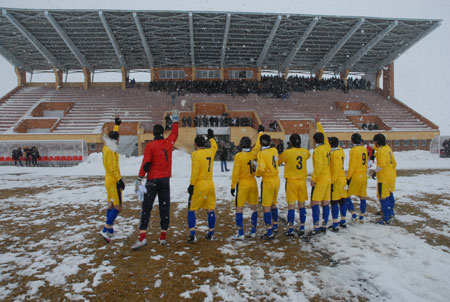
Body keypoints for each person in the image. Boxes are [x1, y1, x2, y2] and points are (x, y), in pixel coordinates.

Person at [131, 111, 179, 249]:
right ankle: (163, 237)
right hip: (165, 180)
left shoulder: (150, 146)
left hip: (152, 180)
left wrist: (139, 178)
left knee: (147, 208)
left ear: (153, 133)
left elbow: (146, 164)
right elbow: (175, 135)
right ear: (163, 133)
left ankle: (142, 237)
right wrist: (175, 122)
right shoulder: (168, 142)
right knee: (165, 207)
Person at [187, 129, 218, 243]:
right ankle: (211, 233)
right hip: (210, 183)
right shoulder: (210, 152)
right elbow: (215, 147)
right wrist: (212, 138)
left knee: (192, 209)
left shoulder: (196, 154)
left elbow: (195, 171)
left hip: (200, 183)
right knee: (210, 209)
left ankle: (192, 234)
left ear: (195, 144)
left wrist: (192, 184)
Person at [230, 132, 262, 239]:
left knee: (239, 208)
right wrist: (260, 133)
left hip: (243, 183)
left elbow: (235, 173)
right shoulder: (254, 153)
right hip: (253, 182)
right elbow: (258, 145)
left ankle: (240, 233)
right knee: (254, 207)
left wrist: (233, 186)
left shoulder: (239, 156)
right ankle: (253, 231)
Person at [278, 133, 310, 237]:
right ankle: (302, 227)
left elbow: (278, 161)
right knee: (301, 206)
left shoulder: (287, 152)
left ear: (290, 142)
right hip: (302, 182)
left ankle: (291, 228)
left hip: (291, 181)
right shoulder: (305, 152)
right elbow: (307, 155)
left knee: (291, 206)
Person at [99, 117, 125, 243]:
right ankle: (105, 229)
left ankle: (110, 230)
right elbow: (114, 167)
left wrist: (116, 126)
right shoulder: (113, 149)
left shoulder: (106, 147)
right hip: (113, 180)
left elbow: (112, 136)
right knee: (118, 207)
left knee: (110, 204)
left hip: (107, 179)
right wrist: (120, 180)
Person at [309, 115, 331, 236]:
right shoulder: (327, 147)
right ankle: (324, 225)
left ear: (315, 140)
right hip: (328, 178)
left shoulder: (318, 150)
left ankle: (316, 226)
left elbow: (319, 166)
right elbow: (325, 136)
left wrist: (313, 179)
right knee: (325, 203)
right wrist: (319, 124)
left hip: (321, 179)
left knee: (315, 202)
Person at [256, 133, 280, 240]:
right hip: (276, 179)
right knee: (273, 204)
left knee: (266, 206)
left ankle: (269, 232)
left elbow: (261, 169)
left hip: (268, 181)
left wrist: (257, 174)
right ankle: (275, 225)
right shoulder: (274, 150)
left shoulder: (262, 154)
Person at [372, 133, 397, 224]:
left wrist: (375, 171)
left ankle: (385, 218)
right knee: (390, 194)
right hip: (391, 175)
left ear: (377, 142)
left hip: (384, 178)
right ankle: (390, 212)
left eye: (374, 141)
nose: (373, 143)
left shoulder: (381, 151)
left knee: (382, 197)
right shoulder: (387, 148)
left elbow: (382, 164)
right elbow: (394, 162)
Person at [345, 133, 368, 222]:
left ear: (352, 140)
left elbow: (352, 165)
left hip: (356, 175)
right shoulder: (364, 149)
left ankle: (353, 214)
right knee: (363, 196)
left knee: (347, 195)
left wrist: (348, 177)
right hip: (363, 175)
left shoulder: (354, 150)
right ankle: (361, 216)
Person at [328, 137, 347, 232]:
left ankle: (335, 224)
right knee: (342, 200)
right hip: (343, 178)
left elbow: (335, 169)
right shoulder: (341, 151)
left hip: (337, 180)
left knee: (334, 201)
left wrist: (332, 182)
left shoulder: (334, 154)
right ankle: (343, 221)